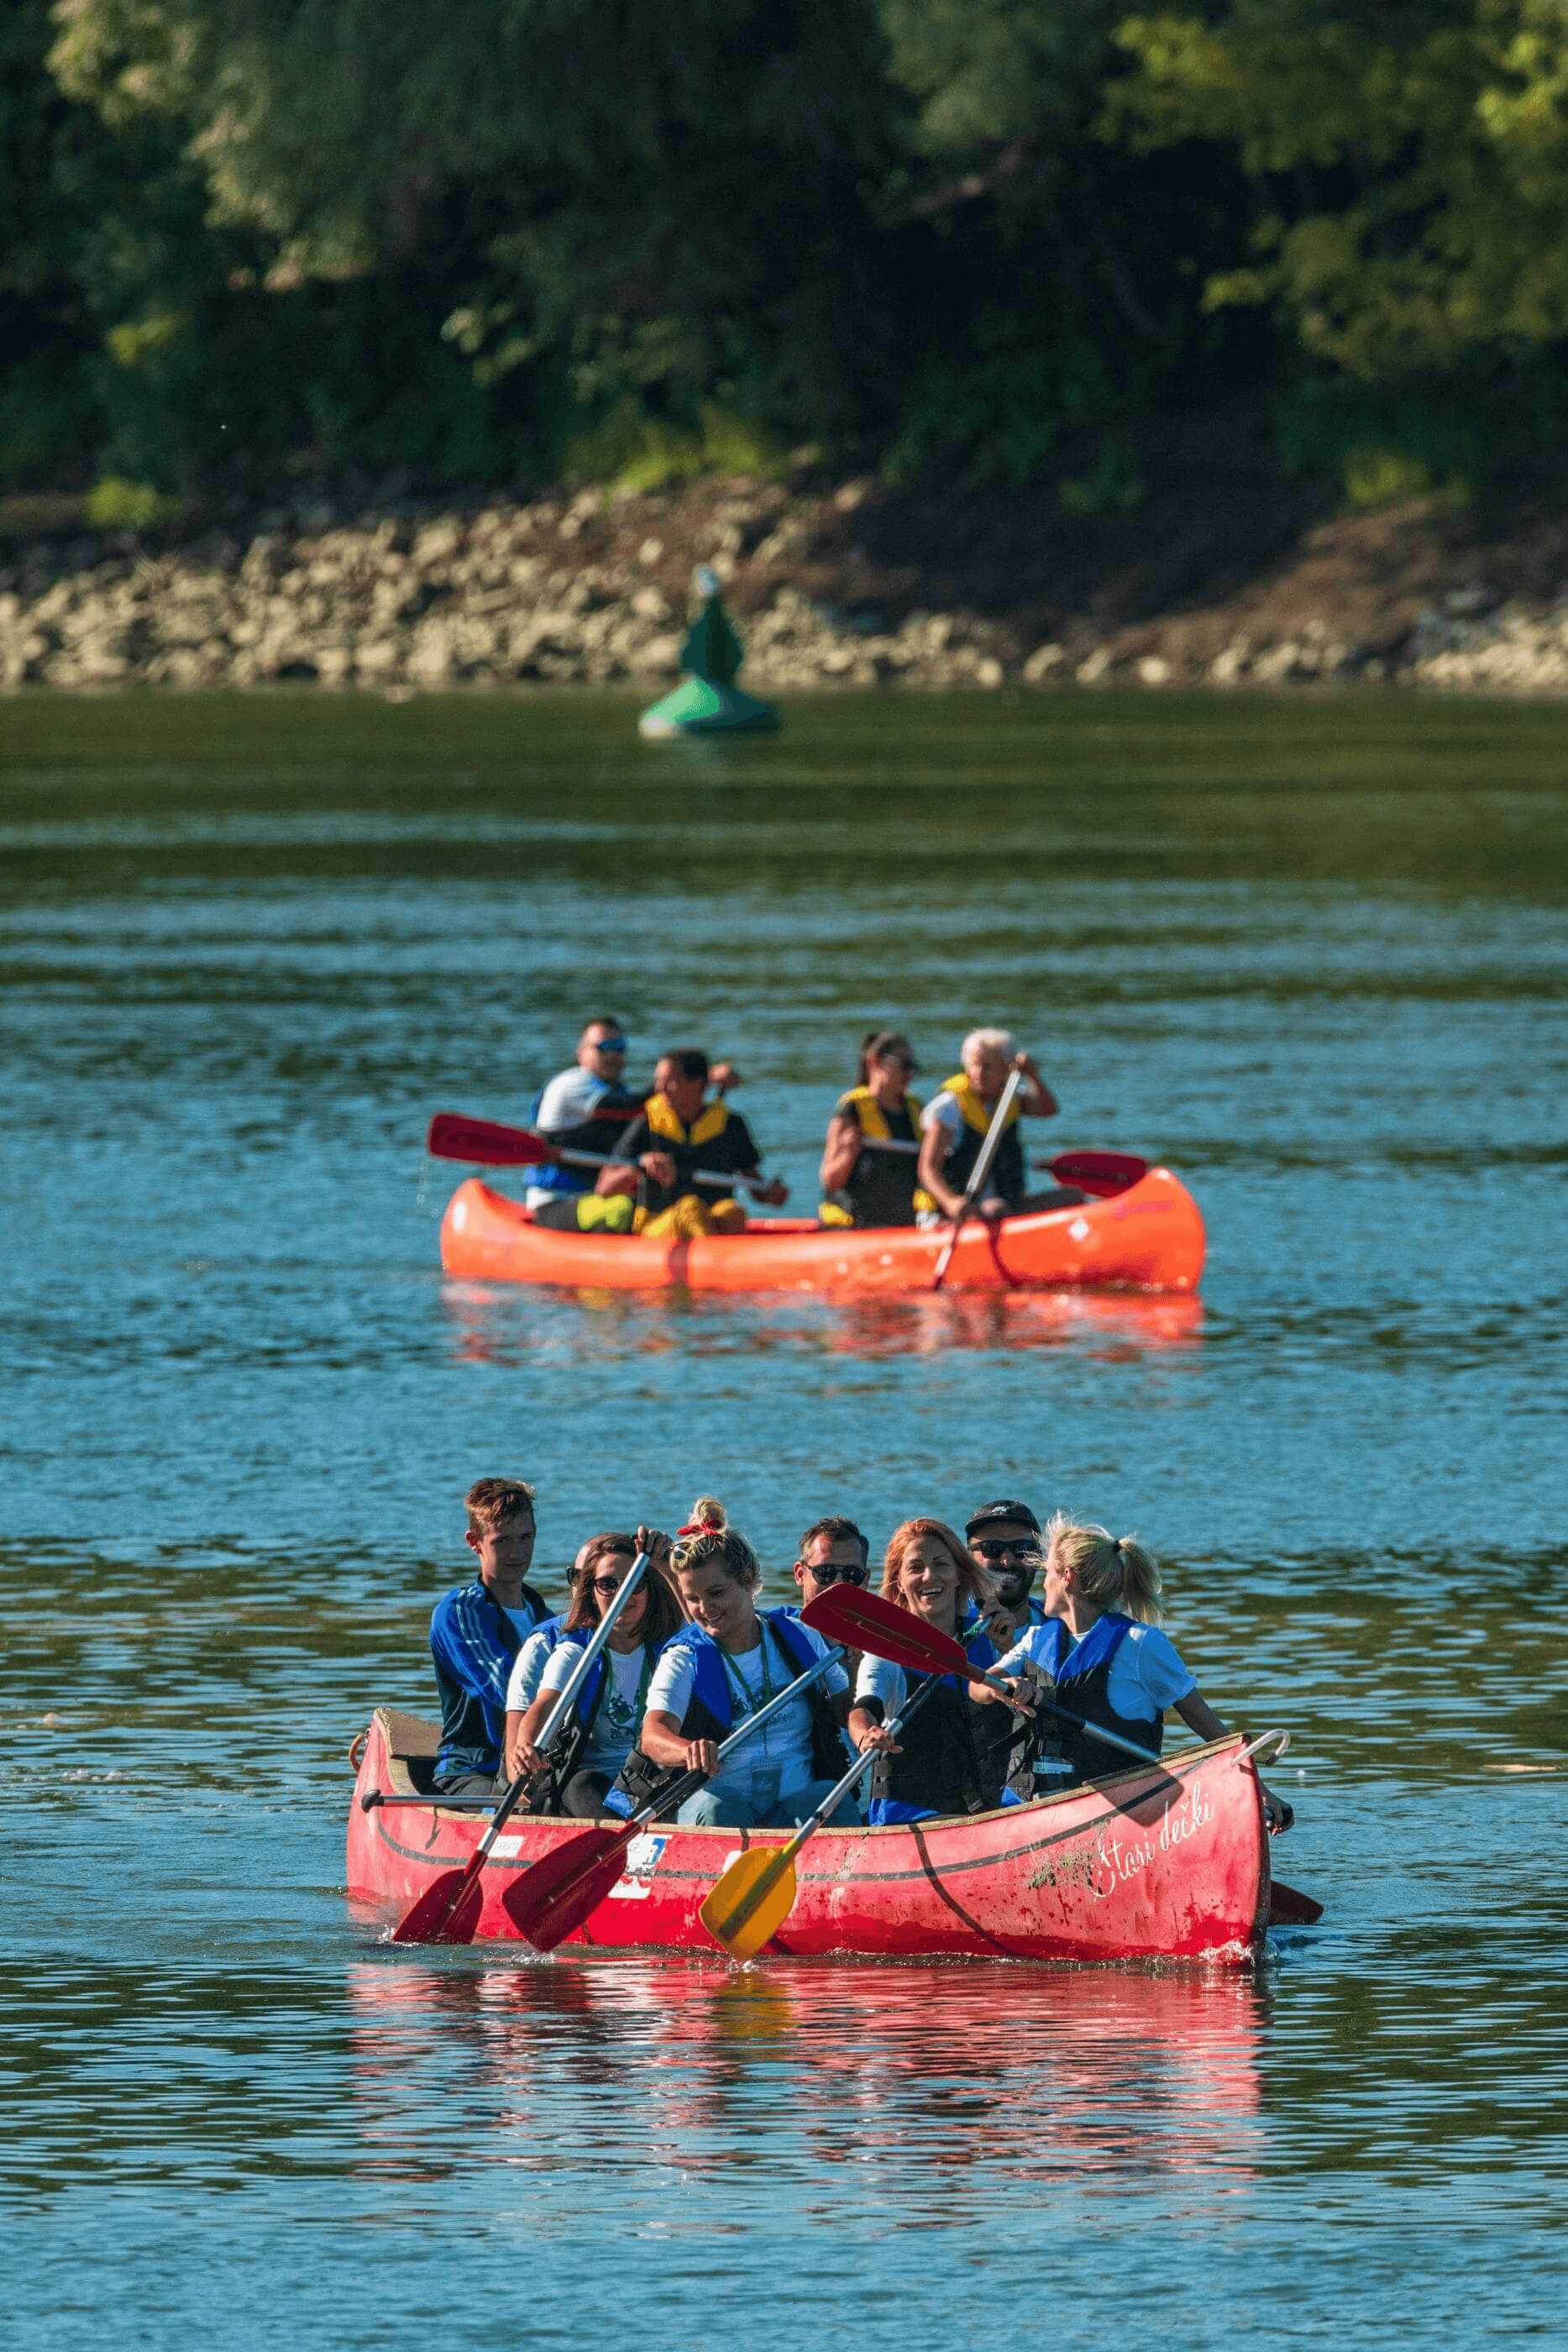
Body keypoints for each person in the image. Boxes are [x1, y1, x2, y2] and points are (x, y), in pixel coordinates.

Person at [974, 1514, 1295, 1830]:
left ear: (1067, 1577)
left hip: (1120, 1816)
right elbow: (978, 1686)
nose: (1043, 1583)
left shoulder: (1141, 1644)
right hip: (1029, 1811)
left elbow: (1204, 1722)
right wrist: (1002, 1686)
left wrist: (1259, 1791)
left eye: (1048, 1573)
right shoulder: (1034, 1640)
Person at [630, 1498, 857, 1829]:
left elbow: (845, 1708)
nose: (705, 1608)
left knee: (832, 1796)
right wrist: (686, 1750)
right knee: (720, 1807)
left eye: (716, 1593)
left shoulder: (797, 1635)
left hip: (796, 1802)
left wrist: (867, 1715)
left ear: (748, 1578)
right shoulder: (684, 1657)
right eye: (692, 1599)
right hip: (721, 1804)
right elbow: (653, 1736)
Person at [847, 1520, 1024, 1824]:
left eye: (941, 1564)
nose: (929, 1576)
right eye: (915, 1568)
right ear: (899, 1582)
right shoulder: (886, 1651)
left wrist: (1009, 1649)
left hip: (987, 1809)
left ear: (958, 1575)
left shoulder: (989, 1640)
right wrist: (866, 1736)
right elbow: (863, 1711)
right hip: (908, 1814)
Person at [506, 1530, 683, 1815]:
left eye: (634, 1584)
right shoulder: (575, 1648)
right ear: (590, 1593)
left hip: (650, 1780)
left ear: (650, 1590)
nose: (622, 1594)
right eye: (608, 1584)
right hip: (586, 1786)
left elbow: (705, 1622)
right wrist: (526, 1744)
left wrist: (669, 1566)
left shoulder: (672, 1647)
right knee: (584, 1785)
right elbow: (545, 1703)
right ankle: (623, 1851)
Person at [527, 1024, 741, 1231]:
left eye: (619, 1047)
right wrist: (698, 1078)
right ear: (581, 1053)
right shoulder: (573, 1084)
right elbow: (629, 1108)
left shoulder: (615, 1090)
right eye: (603, 1048)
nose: (613, 1055)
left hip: (594, 1199)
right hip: (557, 1201)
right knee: (622, 1210)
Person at [429, 1478, 551, 1796]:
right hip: (471, 1770)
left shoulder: (544, 1615)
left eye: (526, 1538)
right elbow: (507, 1687)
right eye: (502, 1541)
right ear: (475, 1542)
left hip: (535, 1764)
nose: (517, 1552)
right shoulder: (459, 1613)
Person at [596, 1050, 788, 1238]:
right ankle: (714, 1264)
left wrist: (773, 1195)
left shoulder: (731, 1125)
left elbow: (757, 1189)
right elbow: (604, 1188)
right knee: (690, 1207)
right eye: (658, 1080)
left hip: (711, 1222)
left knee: (732, 1213)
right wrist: (641, 1167)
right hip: (656, 1227)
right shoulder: (645, 1122)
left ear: (699, 1085)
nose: (660, 1088)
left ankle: (722, 1262)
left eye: (670, 1081)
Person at [916, 1028, 1075, 1226]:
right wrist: (950, 1202)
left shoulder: (1010, 1098)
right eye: (974, 1065)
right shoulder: (949, 1107)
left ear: (1007, 1070)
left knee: (1072, 1197)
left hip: (1007, 1204)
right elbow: (927, 1169)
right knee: (997, 1208)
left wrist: (1033, 1076)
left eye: (988, 1067)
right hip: (957, 1212)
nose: (979, 1073)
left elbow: (1047, 1109)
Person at [818, 1032, 936, 1229]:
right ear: (875, 1062)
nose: (909, 1074)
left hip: (903, 1223)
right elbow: (830, 1180)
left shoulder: (917, 1111)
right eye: (904, 1066)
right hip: (856, 1225)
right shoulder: (851, 1111)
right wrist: (849, 1151)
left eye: (913, 1067)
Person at [965, 1499, 1047, 1647]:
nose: (1007, 1562)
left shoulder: (1058, 1629)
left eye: (1022, 1548)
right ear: (968, 1558)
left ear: (1039, 1557)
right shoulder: (949, 1624)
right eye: (992, 1548)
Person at [789, 1516, 872, 1610]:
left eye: (852, 1574)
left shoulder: (882, 1624)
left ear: (865, 1580)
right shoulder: (772, 1622)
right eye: (825, 1572)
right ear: (800, 1574)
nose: (838, 1584)